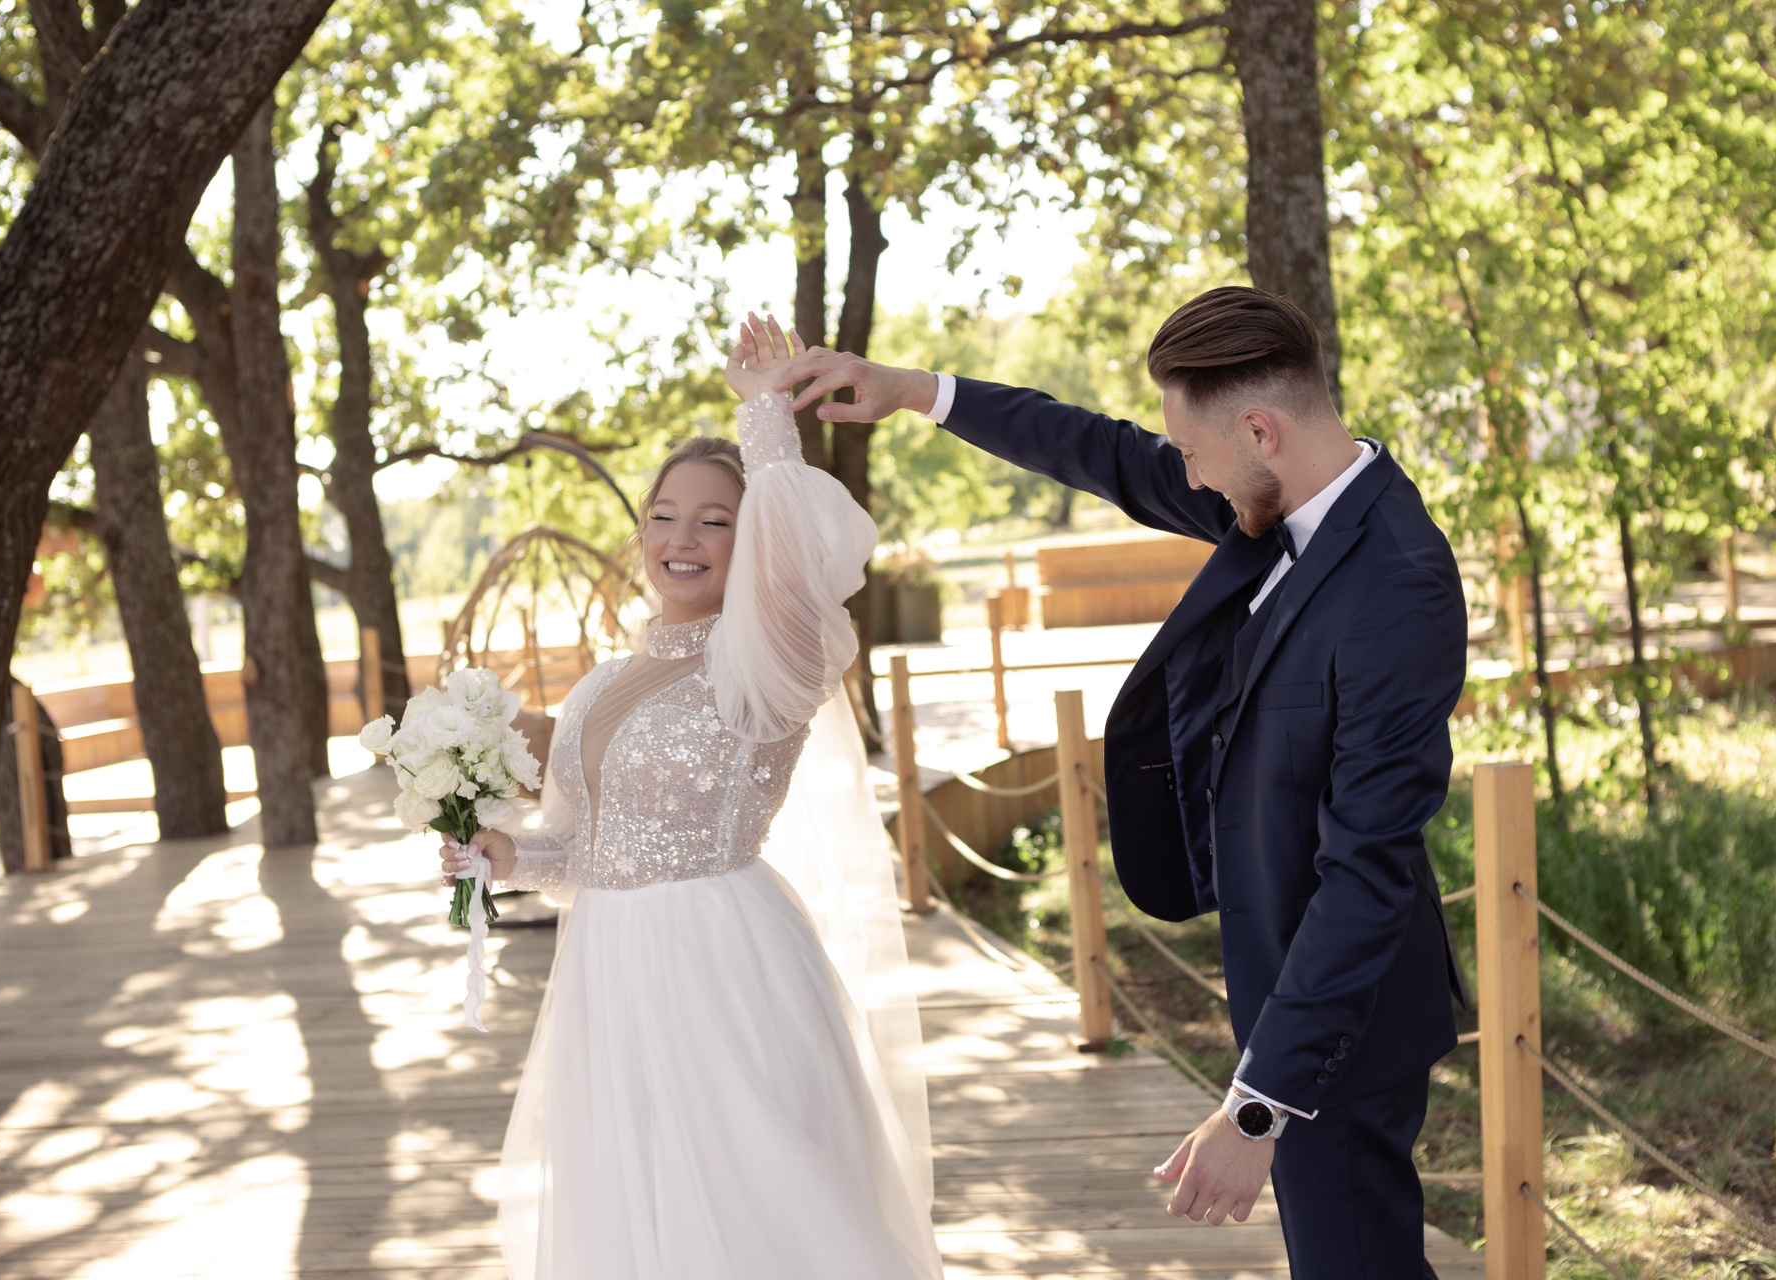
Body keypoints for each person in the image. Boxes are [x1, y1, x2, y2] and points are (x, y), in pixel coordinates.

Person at [775, 286, 1468, 1280]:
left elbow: (1366, 868)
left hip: (1341, 1021)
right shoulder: (1273, 494)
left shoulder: (1397, 582)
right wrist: (914, 390)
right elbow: (1099, 450)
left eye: (1191, 451)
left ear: (1260, 430)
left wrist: (1258, 1105)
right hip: (1287, 989)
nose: (1184, 472)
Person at [442, 315, 942, 1280]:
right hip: (610, 972)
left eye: (716, 520)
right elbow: (587, 853)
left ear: (753, 538)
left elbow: (800, 563)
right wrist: (508, 856)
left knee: (760, 1200)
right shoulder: (602, 683)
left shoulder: (764, 663)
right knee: (642, 1211)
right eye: (664, 515)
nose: (682, 538)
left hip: (719, 960)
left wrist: (766, 417)